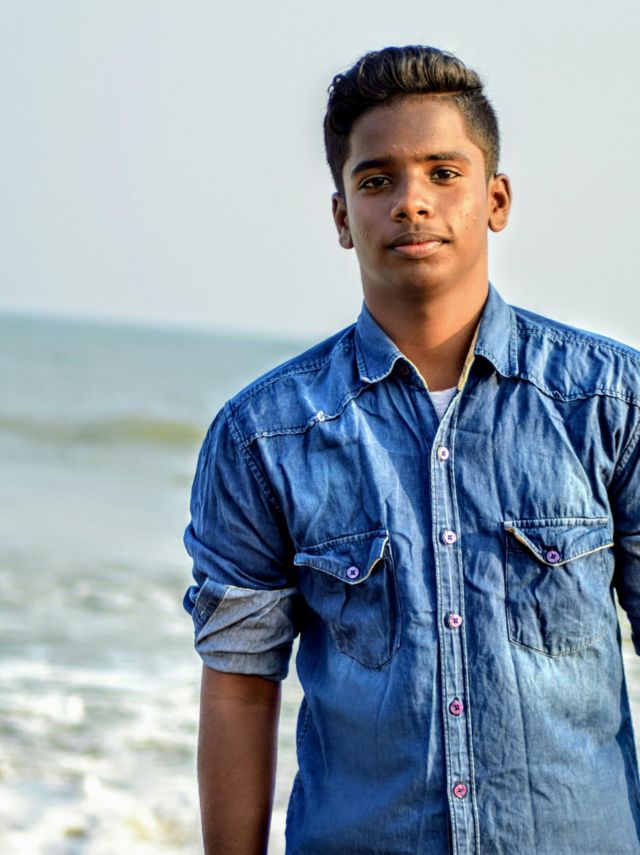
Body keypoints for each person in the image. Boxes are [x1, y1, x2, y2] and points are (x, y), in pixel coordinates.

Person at [183, 45, 640, 854]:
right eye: (376, 181)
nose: (411, 202)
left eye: (443, 173)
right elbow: (239, 686)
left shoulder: (610, 402)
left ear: (495, 199)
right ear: (341, 217)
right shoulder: (264, 435)